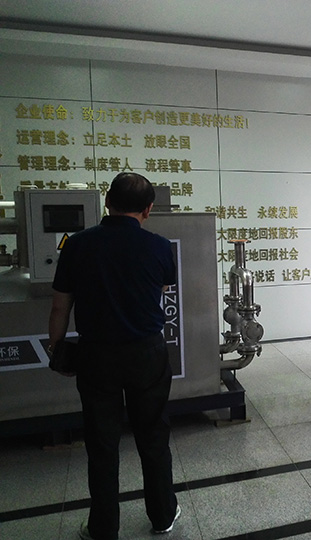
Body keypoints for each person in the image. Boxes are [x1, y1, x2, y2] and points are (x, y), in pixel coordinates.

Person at [48, 172, 180, 539]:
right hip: (147, 353)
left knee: (102, 443)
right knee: (153, 436)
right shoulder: (158, 246)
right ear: (148, 209)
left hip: (97, 356)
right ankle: (162, 516)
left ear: (107, 203)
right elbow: (161, 287)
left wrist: (57, 349)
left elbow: (60, 307)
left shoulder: (77, 245)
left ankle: (103, 527)